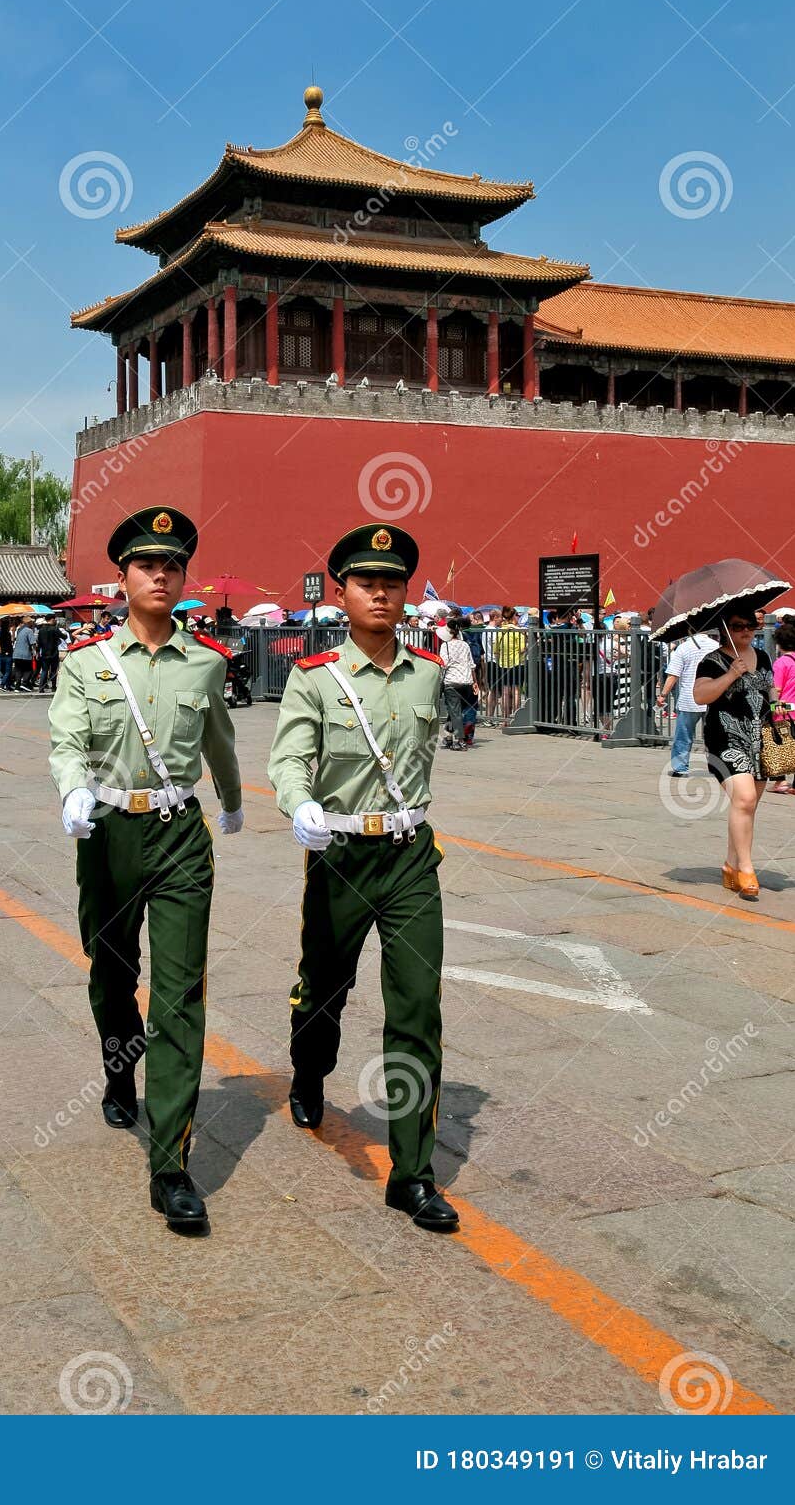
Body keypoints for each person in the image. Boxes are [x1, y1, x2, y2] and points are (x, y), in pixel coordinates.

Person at [50, 506, 243, 1236]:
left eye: (172, 567)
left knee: (180, 993)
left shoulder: (207, 661)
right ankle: (117, 1065)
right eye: (146, 566)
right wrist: (71, 787)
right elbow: (67, 737)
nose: (160, 576)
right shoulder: (85, 663)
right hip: (105, 833)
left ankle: (170, 1168)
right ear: (122, 578)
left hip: (178, 835)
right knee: (110, 968)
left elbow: (218, 739)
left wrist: (228, 802)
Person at [267, 523, 458, 1235]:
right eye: (366, 582)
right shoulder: (313, 676)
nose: (381, 592)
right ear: (340, 592)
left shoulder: (431, 672)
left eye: (393, 582)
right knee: (323, 991)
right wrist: (302, 803)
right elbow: (289, 759)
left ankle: (412, 1174)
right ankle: (309, 1070)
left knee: (416, 1011)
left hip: (409, 856)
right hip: (341, 856)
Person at [693, 609, 780, 900]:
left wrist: (776, 700)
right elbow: (700, 695)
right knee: (744, 799)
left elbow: (770, 686)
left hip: (761, 739)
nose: (746, 631)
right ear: (724, 628)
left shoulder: (763, 656)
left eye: (750, 626)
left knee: (747, 806)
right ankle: (746, 868)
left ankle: (731, 865)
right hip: (726, 739)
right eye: (738, 626)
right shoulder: (712, 661)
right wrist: (731, 674)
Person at [657, 632, 718, 776]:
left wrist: (663, 695)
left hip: (688, 699)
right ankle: (717, 767)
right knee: (714, 736)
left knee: (683, 735)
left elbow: (673, 674)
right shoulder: (717, 647)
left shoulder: (684, 648)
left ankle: (680, 767)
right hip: (712, 697)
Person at [439, 617, 479, 749]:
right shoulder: (465, 645)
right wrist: (475, 682)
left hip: (452, 681)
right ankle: (448, 737)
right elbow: (471, 664)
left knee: (455, 711)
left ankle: (460, 740)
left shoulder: (445, 646)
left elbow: (443, 664)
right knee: (455, 710)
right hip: (466, 681)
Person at [769, 622, 795, 795]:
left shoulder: (781, 663)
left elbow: (776, 689)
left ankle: (780, 782)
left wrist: (771, 706)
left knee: (779, 746)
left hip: (783, 711)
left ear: (778, 643)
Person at [37, 614, 61, 693]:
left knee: (44, 670)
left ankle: (41, 687)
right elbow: (64, 636)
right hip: (54, 653)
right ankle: (53, 687)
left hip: (44, 653)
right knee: (53, 671)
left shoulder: (41, 630)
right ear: (52, 619)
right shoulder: (55, 629)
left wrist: (38, 652)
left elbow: (39, 642)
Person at [11, 616, 36, 691]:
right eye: (31, 621)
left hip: (16, 653)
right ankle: (24, 683)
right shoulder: (29, 630)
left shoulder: (19, 630)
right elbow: (33, 643)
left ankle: (17, 687)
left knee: (18, 670)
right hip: (25, 654)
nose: (33, 623)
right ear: (29, 622)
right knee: (29, 670)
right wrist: (35, 652)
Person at [0, 616, 14, 690]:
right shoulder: (7, 634)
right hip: (7, 654)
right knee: (8, 671)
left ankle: (8, 686)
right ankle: (2, 684)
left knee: (4, 671)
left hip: (1, 654)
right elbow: (9, 644)